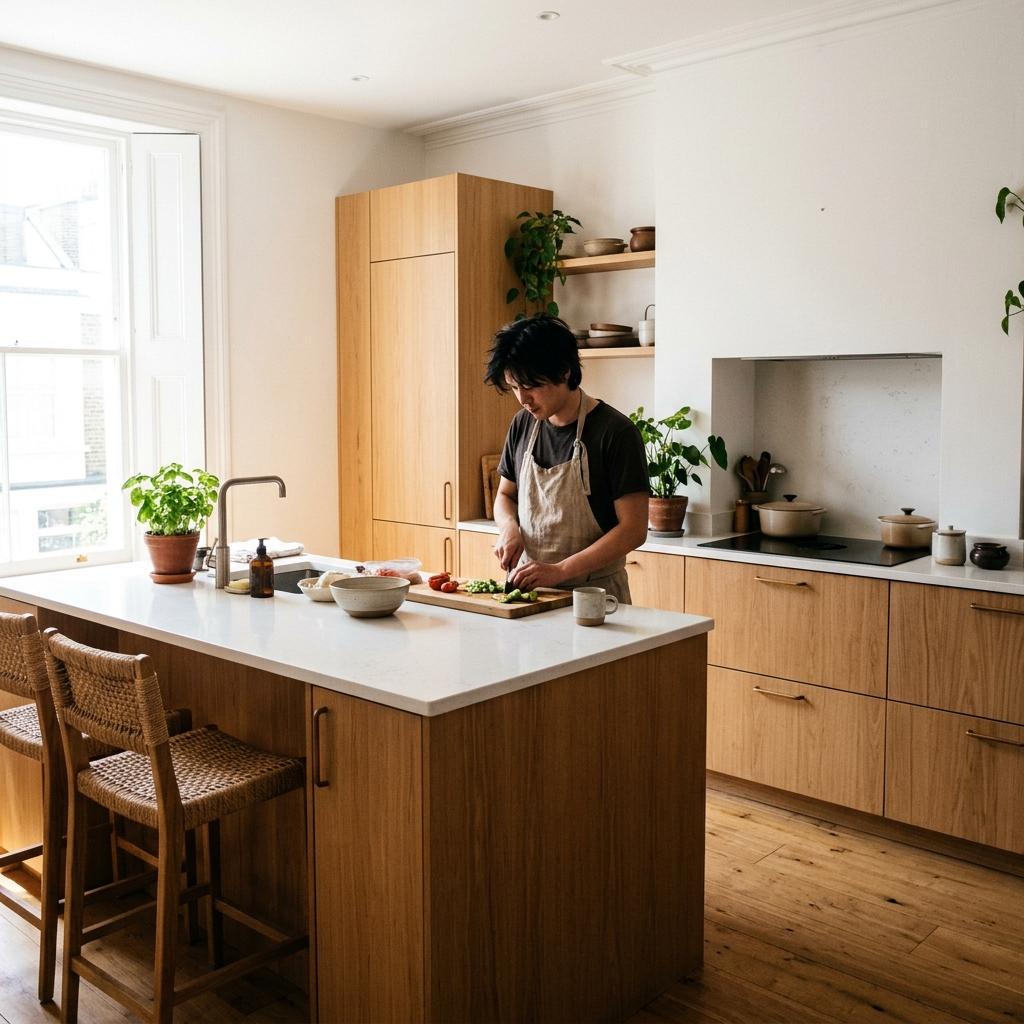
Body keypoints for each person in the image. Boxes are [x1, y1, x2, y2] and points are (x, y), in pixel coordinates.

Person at [484, 315, 650, 603]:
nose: (523, 399)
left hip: (595, 598)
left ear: (563, 372)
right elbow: (505, 495)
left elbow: (634, 530)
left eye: (531, 385)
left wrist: (560, 570)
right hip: (530, 594)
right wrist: (509, 529)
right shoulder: (522, 424)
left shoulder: (615, 433)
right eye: (513, 387)